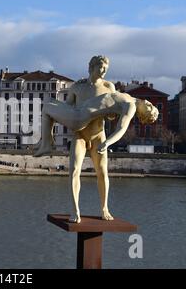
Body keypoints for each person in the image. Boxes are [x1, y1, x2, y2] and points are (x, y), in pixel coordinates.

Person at [35, 55, 155, 223]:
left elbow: (113, 114)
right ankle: (75, 210)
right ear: (91, 67)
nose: (104, 70)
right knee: (75, 171)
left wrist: (109, 128)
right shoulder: (77, 87)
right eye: (101, 66)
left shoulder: (109, 86)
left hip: (99, 134)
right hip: (80, 134)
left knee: (102, 172)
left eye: (106, 67)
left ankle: (104, 208)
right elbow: (68, 109)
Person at [35, 92, 159, 156]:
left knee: (46, 107)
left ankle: (47, 144)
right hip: (78, 111)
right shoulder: (130, 98)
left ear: (142, 116)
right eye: (152, 106)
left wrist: (107, 143)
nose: (149, 104)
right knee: (49, 101)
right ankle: (45, 140)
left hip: (78, 117)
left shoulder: (131, 107)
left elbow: (121, 129)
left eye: (149, 109)